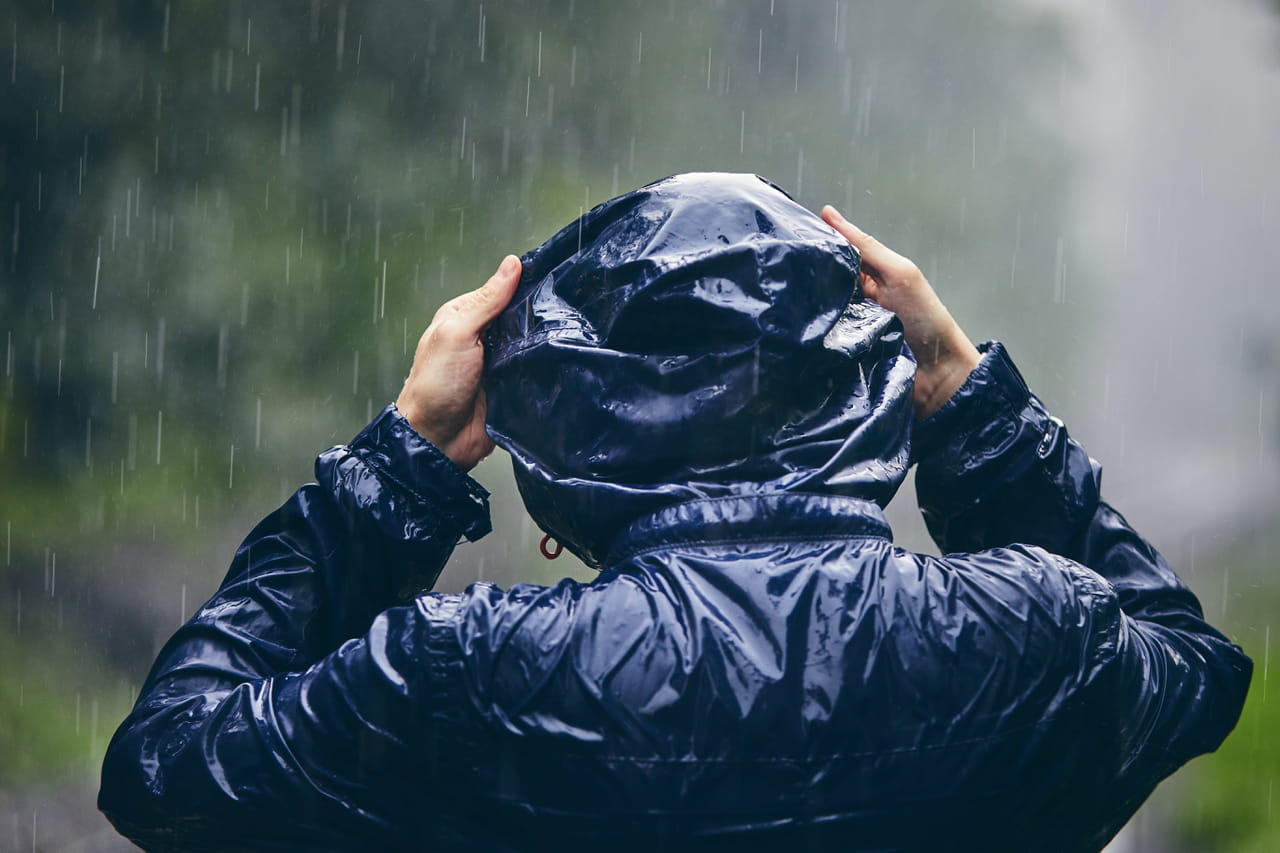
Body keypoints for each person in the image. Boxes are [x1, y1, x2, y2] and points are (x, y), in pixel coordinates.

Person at [99, 173, 1251, 852]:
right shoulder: (1040, 637)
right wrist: (964, 396)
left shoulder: (470, 671)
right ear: (867, 384)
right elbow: (1197, 668)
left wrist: (400, 462)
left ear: (564, 428)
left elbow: (165, 773)